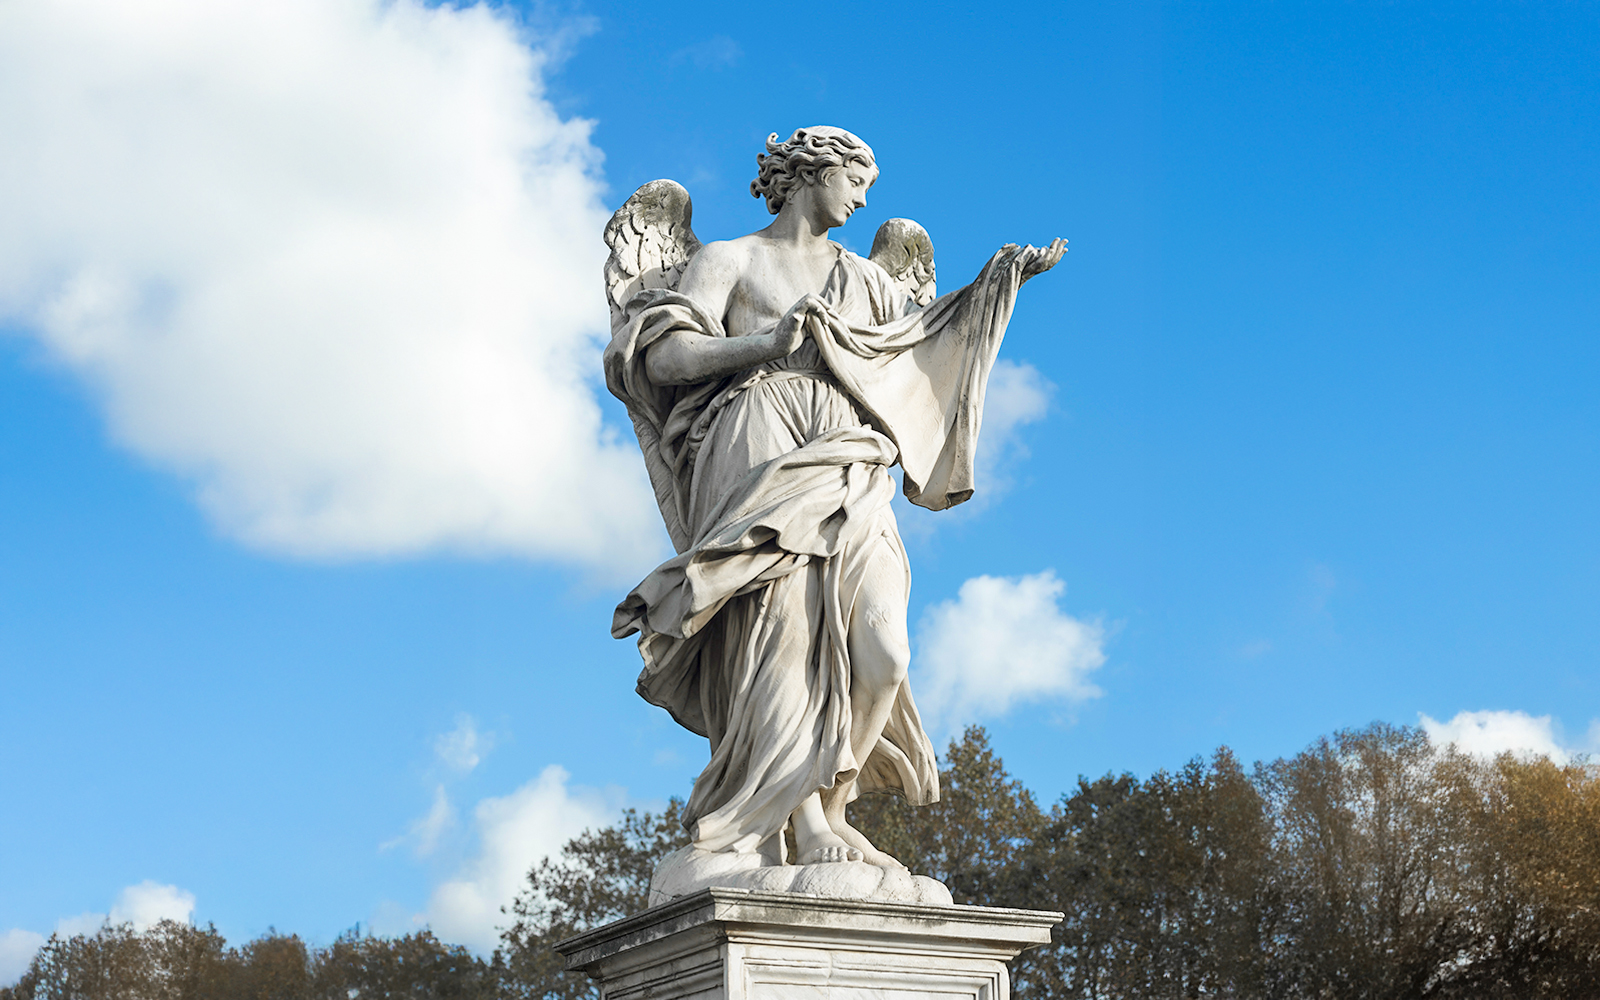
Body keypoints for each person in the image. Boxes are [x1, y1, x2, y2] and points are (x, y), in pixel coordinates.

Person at [606, 126, 1064, 868]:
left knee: (882, 650)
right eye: (853, 180)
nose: (860, 197)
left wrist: (994, 289)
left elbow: (923, 357)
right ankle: (795, 818)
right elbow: (663, 356)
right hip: (756, 432)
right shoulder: (730, 259)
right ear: (809, 174)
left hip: (851, 455)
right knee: (782, 638)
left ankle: (832, 803)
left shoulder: (873, 282)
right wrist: (765, 343)